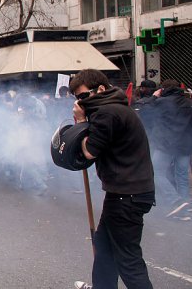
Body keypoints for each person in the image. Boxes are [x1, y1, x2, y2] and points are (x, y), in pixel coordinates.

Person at [69, 69, 155, 289]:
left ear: (100, 89)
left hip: (127, 195)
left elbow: (90, 151)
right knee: (104, 248)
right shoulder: (114, 108)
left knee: (128, 261)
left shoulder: (107, 113)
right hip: (124, 193)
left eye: (83, 96)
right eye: (77, 98)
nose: (80, 102)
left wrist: (80, 123)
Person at [149, 79, 192, 213]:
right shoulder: (189, 103)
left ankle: (175, 200)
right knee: (182, 176)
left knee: (155, 172)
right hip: (184, 145)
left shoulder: (161, 102)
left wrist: (154, 97)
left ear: (163, 89)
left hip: (166, 145)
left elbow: (147, 110)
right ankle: (185, 205)